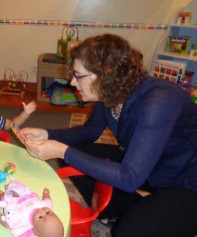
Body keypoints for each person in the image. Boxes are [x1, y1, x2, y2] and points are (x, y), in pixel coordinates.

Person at [20, 34, 197, 237]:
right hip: (150, 166)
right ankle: (117, 212)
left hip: (187, 183)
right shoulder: (111, 94)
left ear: (104, 75)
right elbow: (89, 132)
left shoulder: (160, 102)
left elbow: (129, 177)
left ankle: (150, 214)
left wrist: (61, 150)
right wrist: (47, 133)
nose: (72, 82)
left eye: (78, 75)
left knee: (127, 231)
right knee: (75, 155)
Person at [0, 180, 64, 237]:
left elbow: (18, 231)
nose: (42, 211)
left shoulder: (26, 224)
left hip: (15, 205)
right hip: (27, 196)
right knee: (20, 188)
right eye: (48, 212)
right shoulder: (46, 205)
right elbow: (48, 200)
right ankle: (10, 188)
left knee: (10, 224)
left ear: (35, 231)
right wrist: (46, 194)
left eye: (40, 217)